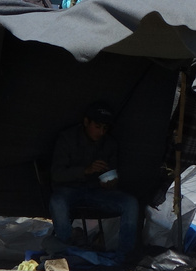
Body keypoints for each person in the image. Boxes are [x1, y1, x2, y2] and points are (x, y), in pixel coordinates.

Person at [46, 101, 138, 262]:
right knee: (57, 202)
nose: (101, 132)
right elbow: (57, 174)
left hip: (96, 191)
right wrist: (85, 170)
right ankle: (66, 250)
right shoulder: (67, 139)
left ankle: (124, 257)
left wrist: (110, 183)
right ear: (86, 122)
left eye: (105, 128)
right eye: (97, 127)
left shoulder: (109, 144)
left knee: (130, 203)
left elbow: (112, 174)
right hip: (69, 190)